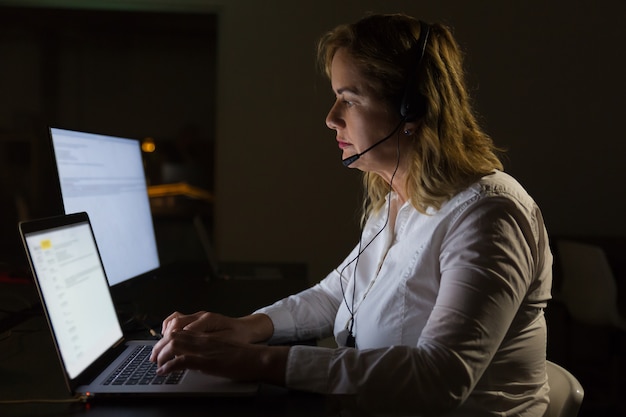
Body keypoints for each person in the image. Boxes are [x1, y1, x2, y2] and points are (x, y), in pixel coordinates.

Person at [150, 13, 552, 416]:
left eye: (350, 99)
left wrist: (256, 361)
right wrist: (245, 328)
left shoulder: (489, 216)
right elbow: (336, 295)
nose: (331, 118)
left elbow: (439, 378)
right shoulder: (396, 198)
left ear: (412, 108)